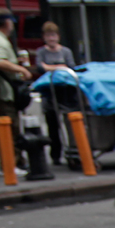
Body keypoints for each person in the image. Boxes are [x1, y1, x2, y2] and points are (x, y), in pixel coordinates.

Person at [0, 8, 33, 175]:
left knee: (6, 127)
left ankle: (10, 162)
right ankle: (10, 165)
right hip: (3, 91)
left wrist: (14, 61)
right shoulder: (1, 42)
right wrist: (21, 69)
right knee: (10, 128)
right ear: (7, 23)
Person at [34, 21, 75, 165]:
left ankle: (74, 150)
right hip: (48, 94)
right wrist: (59, 67)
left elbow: (70, 68)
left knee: (71, 123)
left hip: (65, 93)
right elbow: (40, 67)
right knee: (52, 126)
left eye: (53, 35)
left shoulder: (66, 51)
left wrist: (50, 67)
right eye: (48, 36)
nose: (51, 39)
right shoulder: (41, 52)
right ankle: (55, 155)